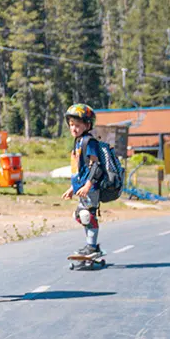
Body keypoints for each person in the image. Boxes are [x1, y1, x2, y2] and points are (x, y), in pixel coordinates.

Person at [62, 103, 103, 260]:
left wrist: (88, 185)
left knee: (87, 215)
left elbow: (95, 165)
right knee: (79, 215)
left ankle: (92, 246)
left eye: (77, 125)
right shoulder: (78, 142)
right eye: (71, 125)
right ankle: (91, 245)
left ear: (87, 125)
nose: (74, 128)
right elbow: (80, 169)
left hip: (90, 188)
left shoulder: (89, 141)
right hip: (82, 187)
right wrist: (73, 187)